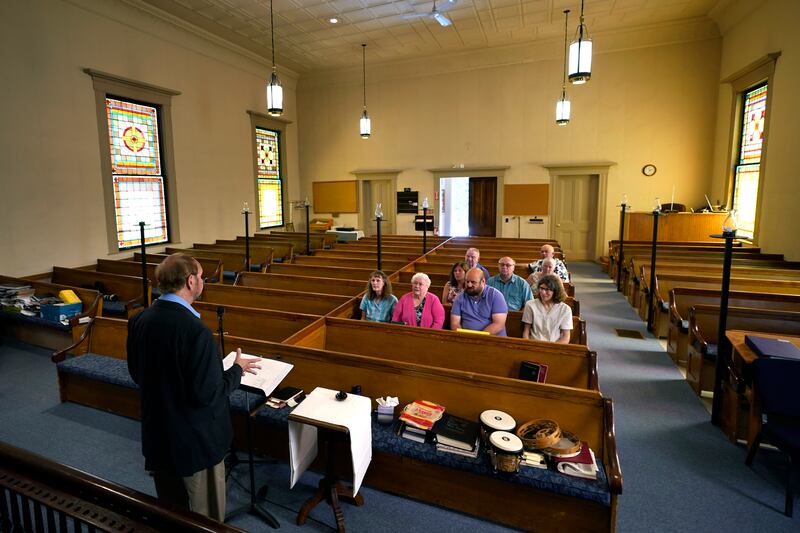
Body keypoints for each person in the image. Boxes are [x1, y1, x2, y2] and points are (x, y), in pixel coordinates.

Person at [127, 253, 260, 521]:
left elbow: (137, 374)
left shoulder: (140, 319)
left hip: (159, 436)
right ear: (190, 281)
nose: (203, 281)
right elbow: (208, 394)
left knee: (171, 510)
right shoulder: (194, 331)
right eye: (201, 277)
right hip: (195, 444)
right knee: (203, 519)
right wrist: (237, 370)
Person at [451, 267, 508, 336]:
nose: (469, 285)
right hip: (466, 339)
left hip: (492, 339)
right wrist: (464, 337)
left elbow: (498, 324)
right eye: (467, 281)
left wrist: (478, 337)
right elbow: (455, 323)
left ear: (483, 281)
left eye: (473, 282)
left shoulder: (495, 296)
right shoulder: (460, 297)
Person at [521, 274, 572, 344]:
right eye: (541, 288)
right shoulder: (530, 305)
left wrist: (553, 350)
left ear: (555, 291)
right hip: (534, 344)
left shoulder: (565, 309)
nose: (543, 292)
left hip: (554, 346)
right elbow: (526, 331)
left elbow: (565, 337)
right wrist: (528, 345)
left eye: (547, 289)